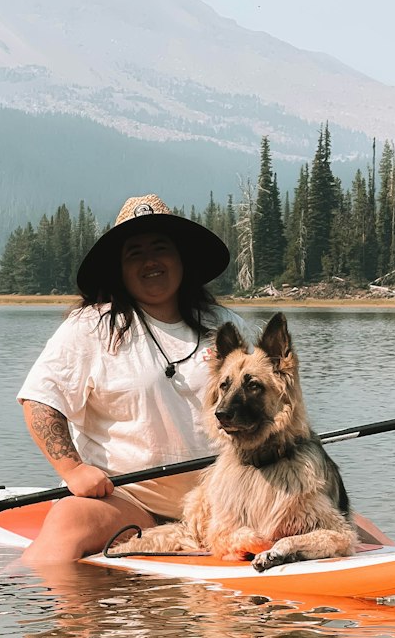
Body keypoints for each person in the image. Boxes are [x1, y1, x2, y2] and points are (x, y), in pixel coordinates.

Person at [17, 193, 248, 563]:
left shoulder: (225, 326)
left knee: (340, 518)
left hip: (227, 501)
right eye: (134, 252)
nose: (150, 261)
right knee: (69, 519)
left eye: (161, 248)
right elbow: (41, 402)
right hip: (129, 501)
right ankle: (16, 612)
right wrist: (72, 469)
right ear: (119, 270)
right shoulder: (92, 326)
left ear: (182, 258)